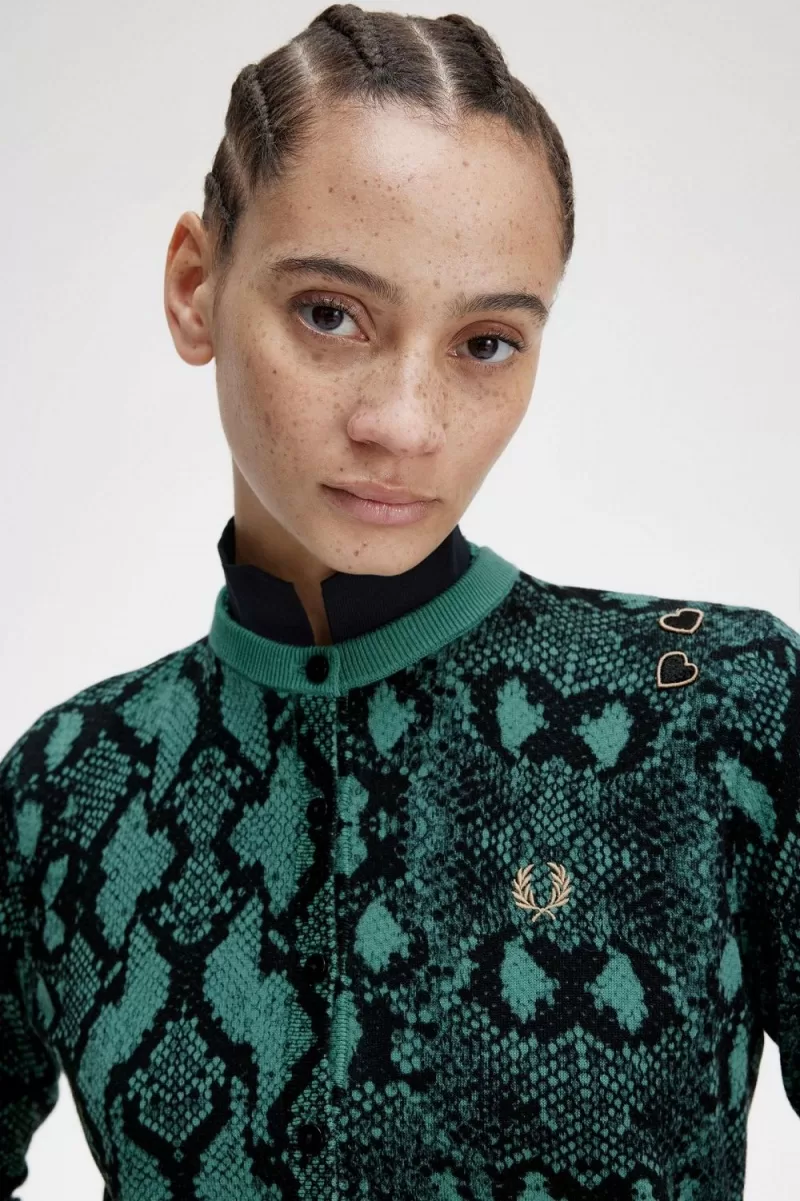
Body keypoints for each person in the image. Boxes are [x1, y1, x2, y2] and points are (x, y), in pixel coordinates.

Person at [0, 5, 797, 1200]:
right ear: (194, 288)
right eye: (330, 313)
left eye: (484, 343)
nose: (405, 424)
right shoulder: (70, 791)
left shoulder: (718, 703)